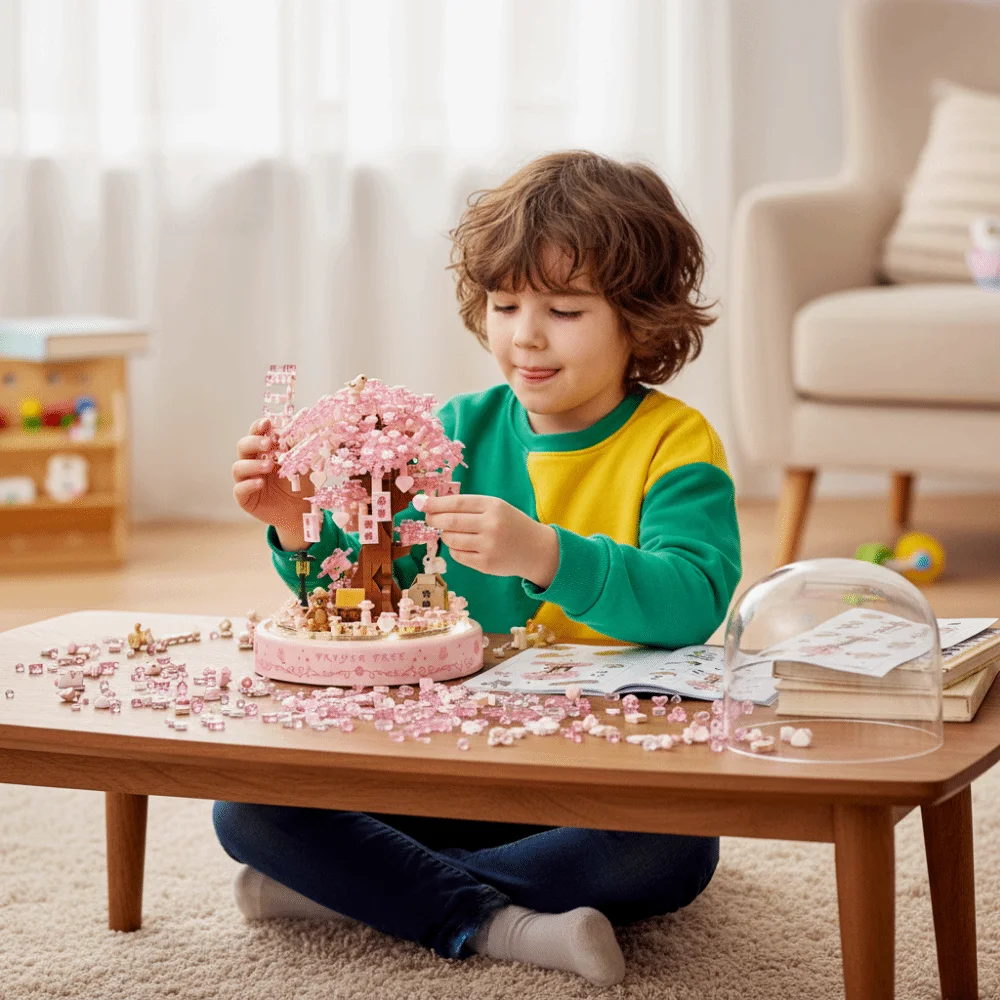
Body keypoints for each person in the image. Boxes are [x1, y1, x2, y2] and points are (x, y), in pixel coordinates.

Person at [217, 150, 741, 986]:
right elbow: (373, 599)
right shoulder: (453, 431)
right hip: (450, 766)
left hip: (599, 779)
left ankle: (365, 893)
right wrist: (297, 523)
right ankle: (501, 924)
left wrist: (547, 555)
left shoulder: (674, 445)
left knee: (671, 850)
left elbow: (693, 601)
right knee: (248, 808)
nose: (524, 334)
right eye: (504, 304)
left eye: (564, 310)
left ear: (640, 322)